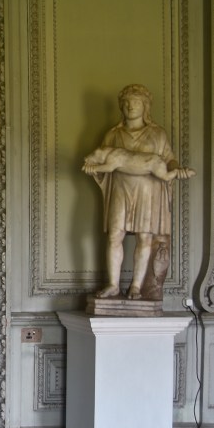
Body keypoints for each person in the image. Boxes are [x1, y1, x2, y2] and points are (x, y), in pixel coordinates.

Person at [84, 84, 194, 300]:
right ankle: (113, 284)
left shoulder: (157, 133)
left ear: (145, 107)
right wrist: (92, 168)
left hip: (148, 190)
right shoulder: (113, 135)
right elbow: (103, 159)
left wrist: (175, 169)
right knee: (115, 234)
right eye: (125, 103)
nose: (129, 106)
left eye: (135, 102)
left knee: (145, 237)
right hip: (120, 188)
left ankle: (136, 286)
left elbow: (170, 159)